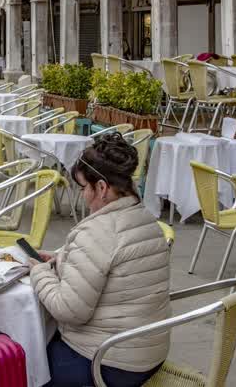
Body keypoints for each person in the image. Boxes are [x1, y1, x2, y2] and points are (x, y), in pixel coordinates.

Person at [30, 133, 170, 387]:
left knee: (24, 362)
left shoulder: (98, 231)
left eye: (84, 188)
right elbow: (115, 266)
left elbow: (69, 310)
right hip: (148, 351)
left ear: (102, 187)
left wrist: (39, 272)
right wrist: (63, 259)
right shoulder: (146, 219)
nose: (83, 195)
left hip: (108, 362)